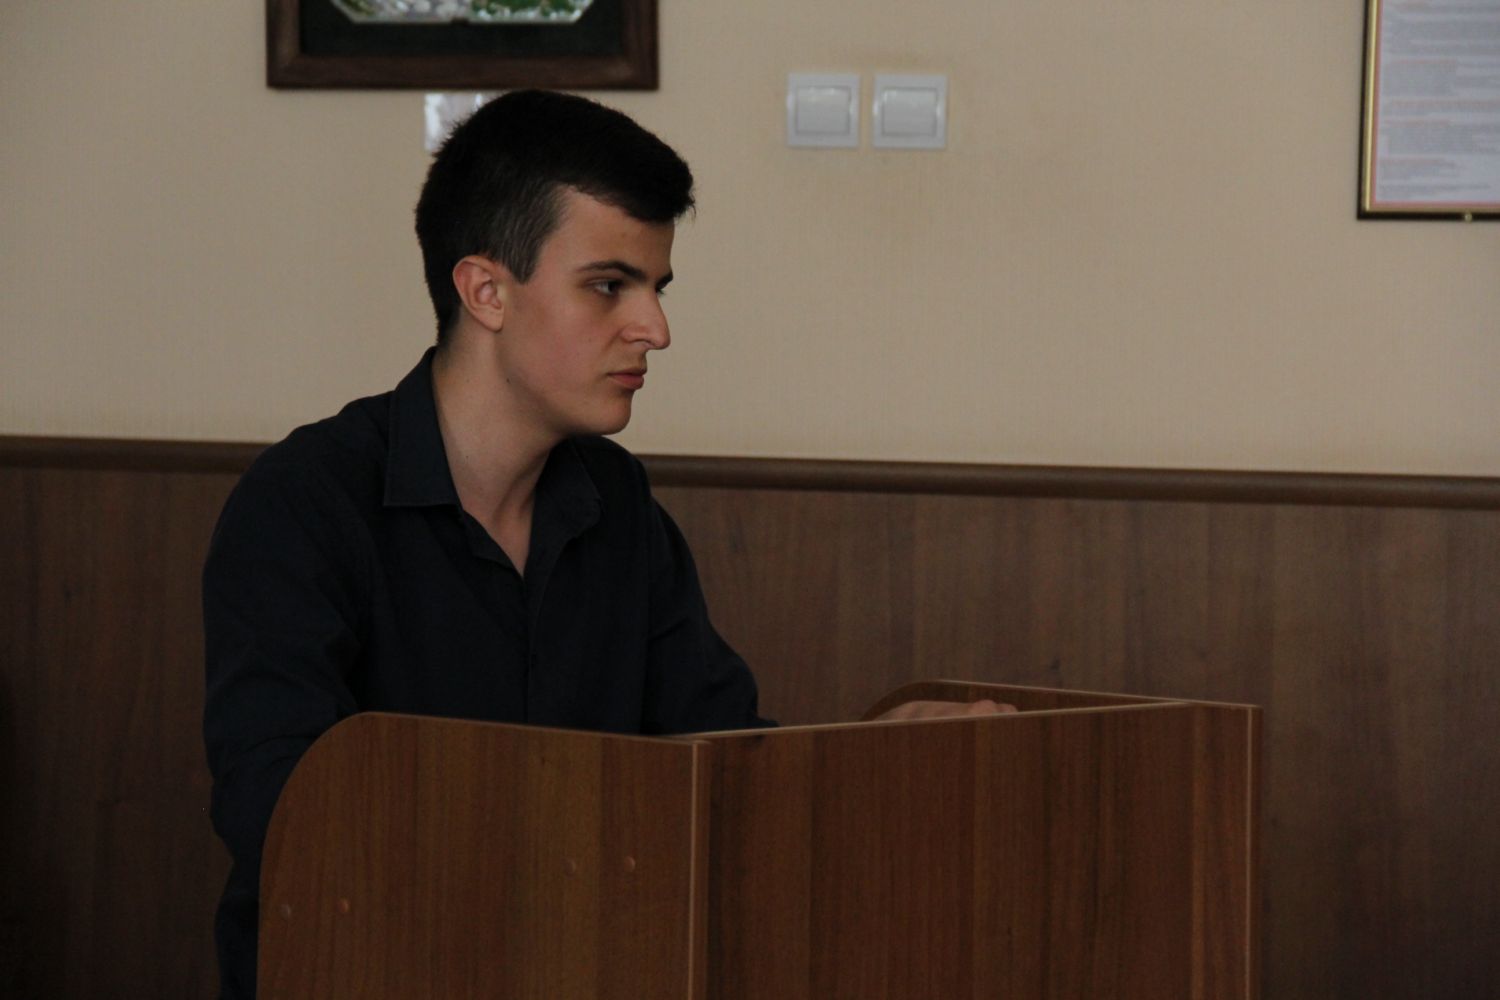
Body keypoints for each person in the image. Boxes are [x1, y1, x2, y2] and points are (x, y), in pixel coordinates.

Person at [201, 89, 771, 1000]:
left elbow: (720, 761)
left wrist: (873, 754)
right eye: (608, 285)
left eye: (656, 290)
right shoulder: (304, 503)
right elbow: (285, 813)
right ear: (485, 291)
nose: (655, 331)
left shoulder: (618, 502)